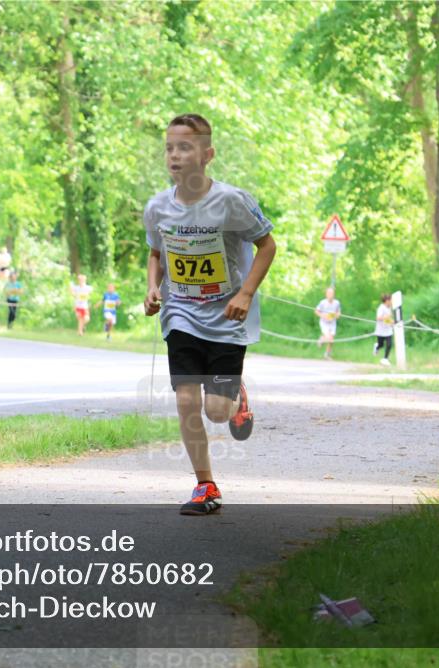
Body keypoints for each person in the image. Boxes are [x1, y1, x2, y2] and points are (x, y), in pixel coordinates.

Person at [143, 113, 277, 516]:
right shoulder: (157, 208)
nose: (174, 155)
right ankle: (205, 485)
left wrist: (247, 294)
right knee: (186, 400)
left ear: (207, 154)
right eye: (169, 147)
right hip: (181, 313)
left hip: (227, 318)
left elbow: (267, 246)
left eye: (184, 147)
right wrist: (152, 286)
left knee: (216, 411)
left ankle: (235, 397)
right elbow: (155, 253)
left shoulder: (232, 201)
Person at [314, 286, 341, 359]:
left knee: (331, 340)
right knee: (329, 337)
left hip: (332, 323)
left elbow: (338, 312)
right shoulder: (322, 302)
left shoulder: (337, 303)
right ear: (326, 294)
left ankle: (327, 354)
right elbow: (316, 311)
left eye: (332, 293)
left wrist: (336, 315)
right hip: (324, 323)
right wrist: (322, 315)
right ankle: (322, 340)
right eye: (329, 293)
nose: (330, 295)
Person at [373, 293, 394, 366]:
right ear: (387, 301)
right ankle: (377, 347)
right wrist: (386, 317)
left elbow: (389, 318)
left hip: (388, 330)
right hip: (381, 330)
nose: (392, 302)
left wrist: (391, 322)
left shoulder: (390, 308)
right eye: (391, 300)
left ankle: (385, 359)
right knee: (381, 344)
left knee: (389, 344)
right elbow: (378, 318)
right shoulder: (381, 308)